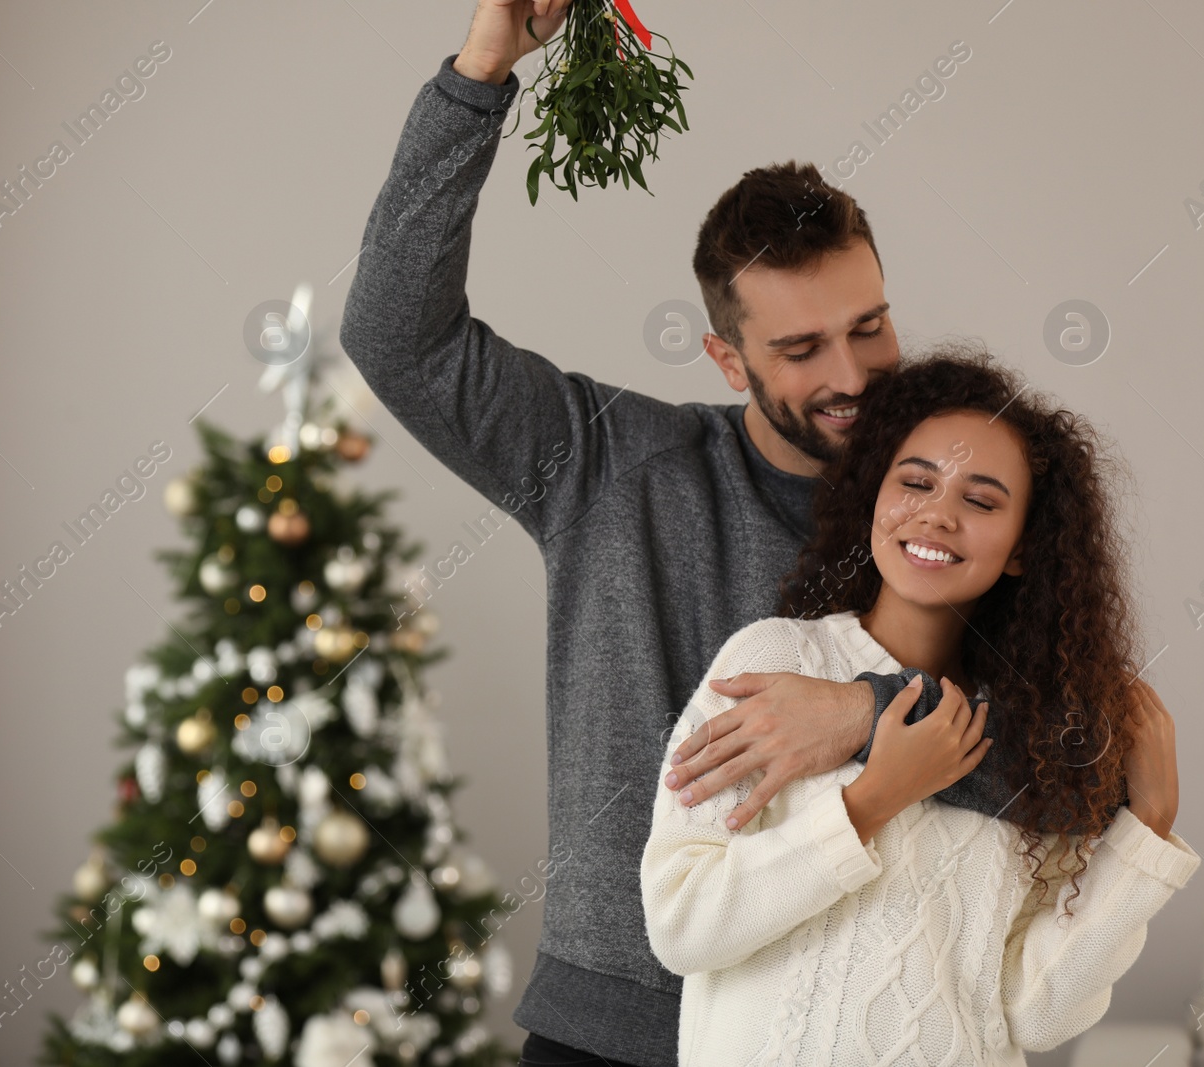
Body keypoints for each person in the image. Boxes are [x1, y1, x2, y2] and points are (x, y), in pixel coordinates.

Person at [339, 2, 1012, 1063]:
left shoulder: (956, 508)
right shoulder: (606, 465)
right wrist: (482, 70)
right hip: (611, 1030)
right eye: (799, 348)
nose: (848, 375)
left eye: (868, 327)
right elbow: (394, 334)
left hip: (851, 1030)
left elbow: (1071, 758)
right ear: (726, 358)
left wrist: (860, 713)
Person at [640, 348, 1200, 1064]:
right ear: (875, 492)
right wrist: (871, 802)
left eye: (981, 499)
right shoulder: (778, 662)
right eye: (916, 482)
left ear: (1024, 547)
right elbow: (681, 921)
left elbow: (1036, 1011)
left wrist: (1147, 831)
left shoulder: (1037, 745)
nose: (937, 515)